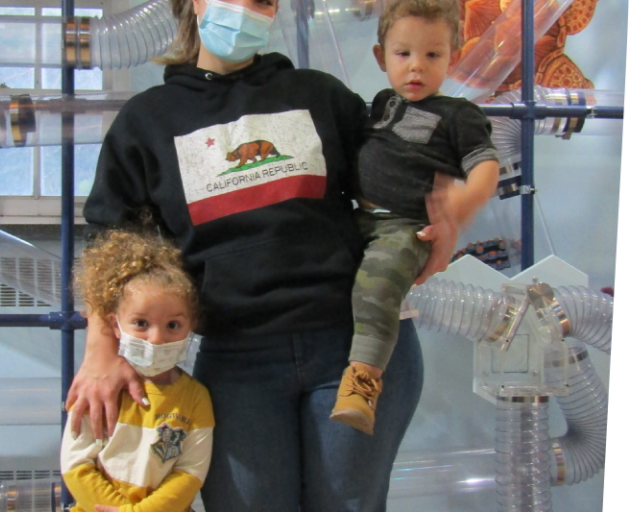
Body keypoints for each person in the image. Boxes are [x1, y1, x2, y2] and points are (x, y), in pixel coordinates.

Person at [67, 0, 459, 509]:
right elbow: (109, 244)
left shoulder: (319, 95)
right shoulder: (147, 122)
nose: (249, 9)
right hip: (237, 361)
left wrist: (444, 217)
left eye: (264, 1)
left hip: (355, 346)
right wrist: (100, 352)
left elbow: (398, 171)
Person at [330, 0, 500, 435]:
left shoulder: (459, 115)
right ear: (380, 57)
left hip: (406, 226)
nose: (416, 68)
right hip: (359, 217)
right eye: (403, 54)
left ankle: (363, 380)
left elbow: (485, 166)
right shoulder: (383, 103)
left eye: (433, 55)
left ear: (454, 58)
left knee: (379, 281)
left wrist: (467, 200)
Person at [60, 229, 214, 512]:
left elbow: (191, 473)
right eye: (141, 323)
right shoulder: (99, 390)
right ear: (115, 324)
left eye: (172, 325)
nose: (156, 338)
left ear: (191, 325)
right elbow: (75, 464)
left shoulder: (196, 398)